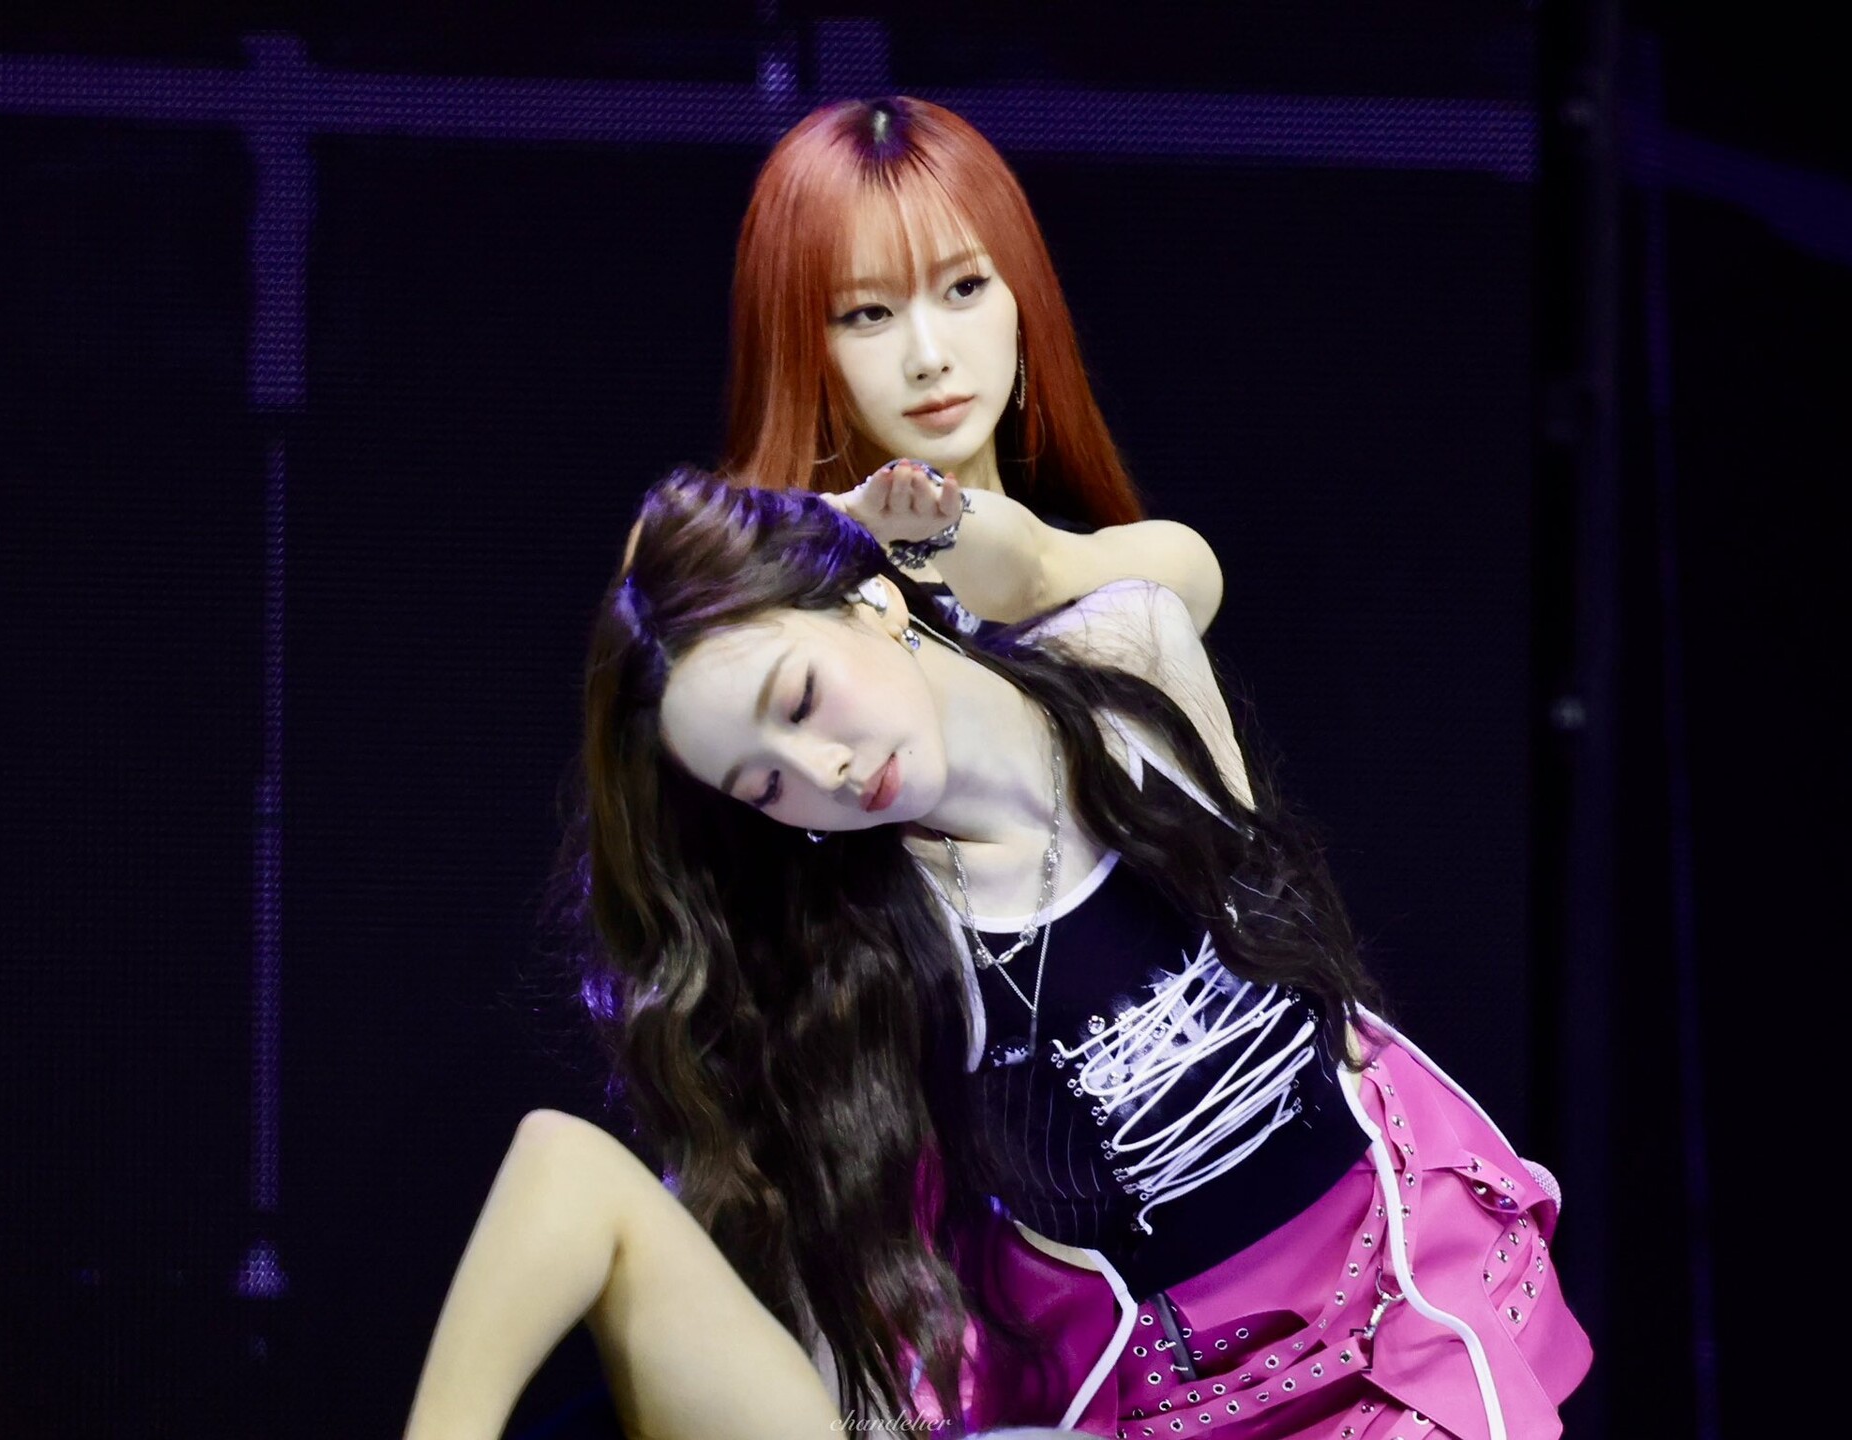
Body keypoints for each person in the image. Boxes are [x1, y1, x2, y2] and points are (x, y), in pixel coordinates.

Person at [405, 461, 1591, 1438]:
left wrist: (925, 525)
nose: (822, 772)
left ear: (871, 604)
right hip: (1183, 1403)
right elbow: (853, 1297)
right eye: (764, 784)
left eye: (802, 699)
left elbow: (1152, 571)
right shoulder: (869, 948)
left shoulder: (1129, 665)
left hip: (1406, 1302)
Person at [719, 95, 1207, 641]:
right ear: (800, 350)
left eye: (965, 287)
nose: (929, 358)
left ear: (1023, 301)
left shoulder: (1134, 571)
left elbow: (1172, 575)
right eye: (870, 313)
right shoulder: (737, 594)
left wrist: (950, 530)